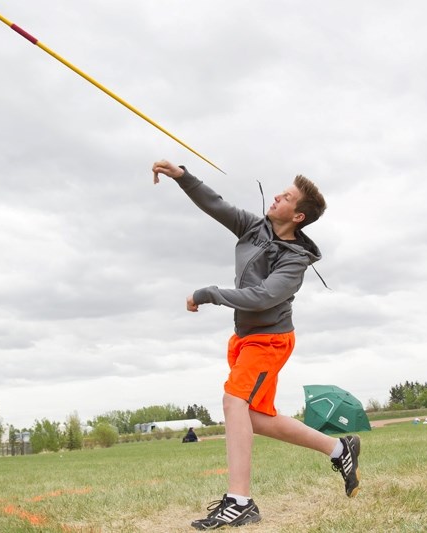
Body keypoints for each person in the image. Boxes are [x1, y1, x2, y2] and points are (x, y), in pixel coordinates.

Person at [151, 160, 360, 530]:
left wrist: (209, 293)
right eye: (281, 191)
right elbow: (215, 204)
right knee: (253, 418)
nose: (277, 195)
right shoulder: (253, 227)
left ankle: (240, 501)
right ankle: (340, 449)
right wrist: (182, 176)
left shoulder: (295, 260)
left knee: (233, 401)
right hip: (245, 339)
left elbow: (263, 297)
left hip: (270, 341)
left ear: (297, 216)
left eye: (286, 196)